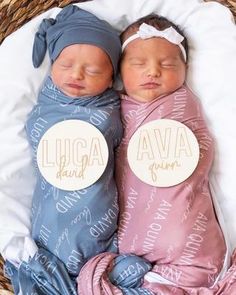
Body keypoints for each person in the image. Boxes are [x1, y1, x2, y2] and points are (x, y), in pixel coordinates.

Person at [5, 5, 123, 295]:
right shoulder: (46, 107)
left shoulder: (111, 109)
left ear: (111, 79)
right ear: (52, 64)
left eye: (93, 70)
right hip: (49, 225)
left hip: (101, 218)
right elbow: (36, 133)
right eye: (66, 65)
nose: (77, 75)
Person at [111, 14, 231, 294]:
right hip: (131, 239)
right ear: (118, 70)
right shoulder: (112, 108)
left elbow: (203, 148)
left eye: (167, 64)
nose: (153, 71)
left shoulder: (184, 103)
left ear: (185, 68)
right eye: (139, 63)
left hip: (189, 234)